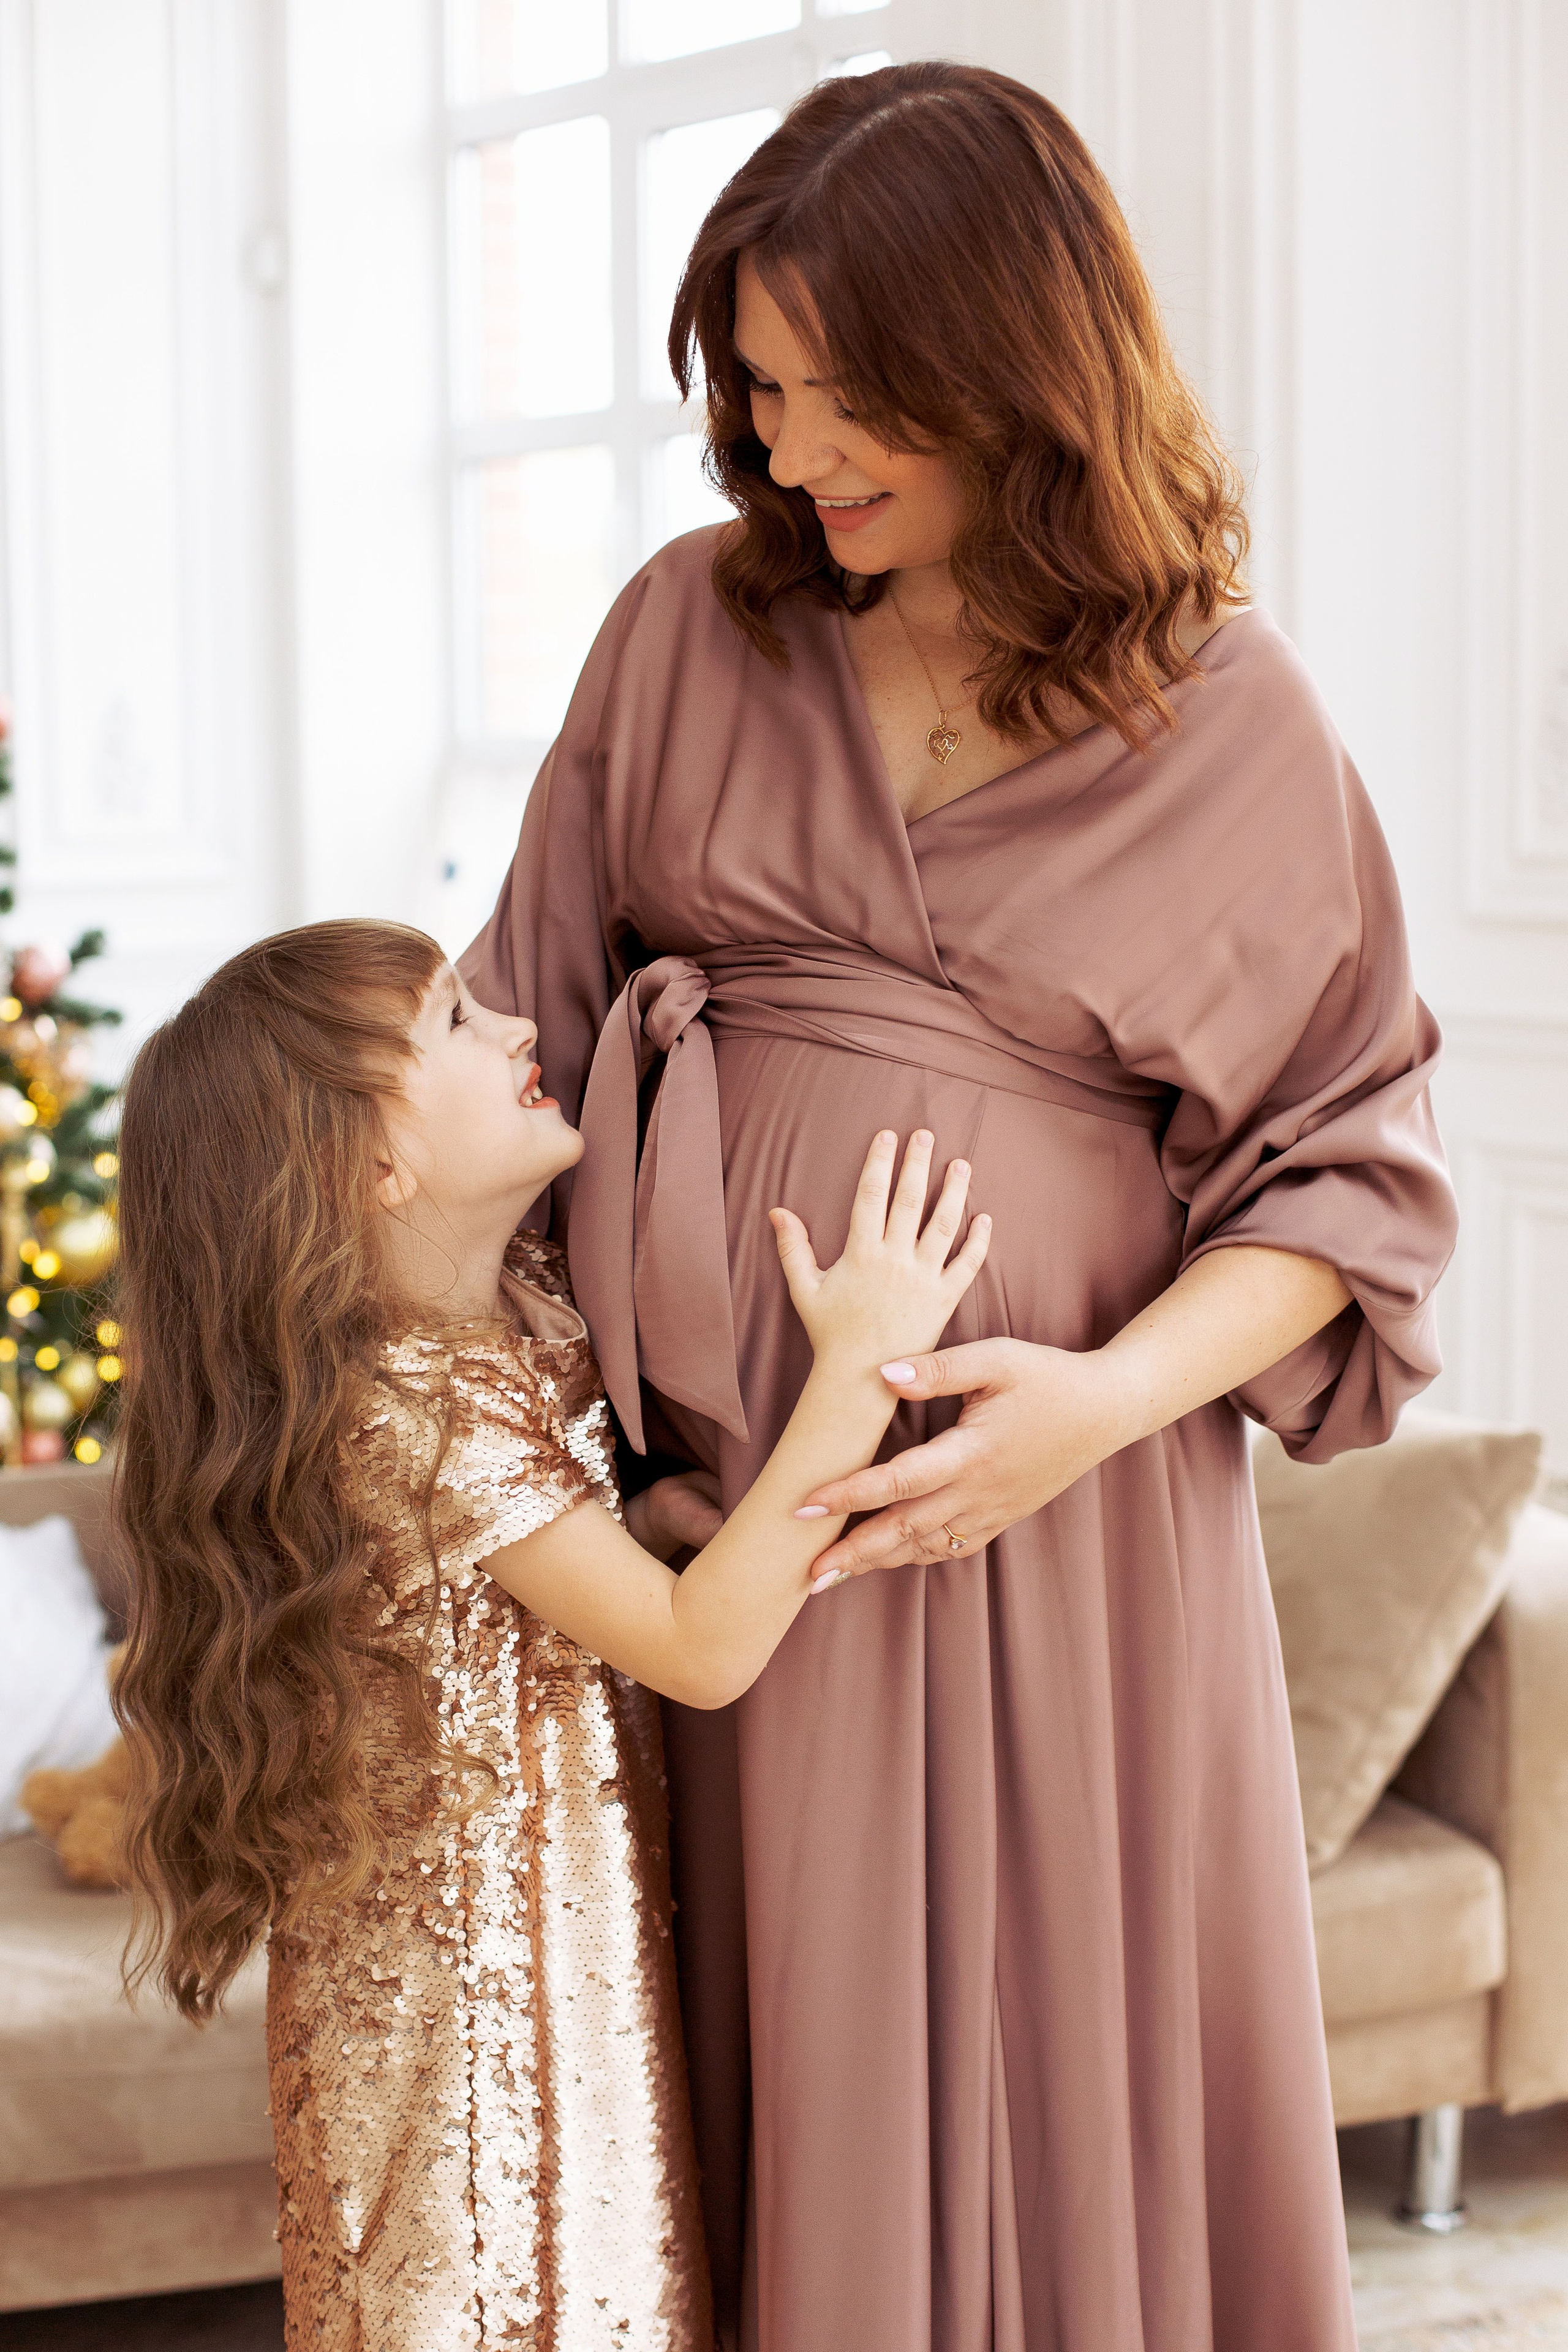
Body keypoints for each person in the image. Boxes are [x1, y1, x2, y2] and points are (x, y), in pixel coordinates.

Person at [461, 60, 1459, 2352]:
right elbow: (511, 1027)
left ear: (1013, 370)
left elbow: (1357, 1177)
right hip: (734, 1536)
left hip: (1072, 1541)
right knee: (769, 2098)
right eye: (759, 396)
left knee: (1061, 2100)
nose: (791, 457)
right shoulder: (682, 634)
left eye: (841, 400)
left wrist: (1094, 1403)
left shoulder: (1229, 722)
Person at [110, 918, 989, 2352]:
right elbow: (696, 1650)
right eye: (456, 1024)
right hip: (472, 2047)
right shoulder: (398, 1414)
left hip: (563, 1970)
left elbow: (558, 1593)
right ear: (371, 1170)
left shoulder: (513, 1316)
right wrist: (856, 1362)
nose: (518, 1030)